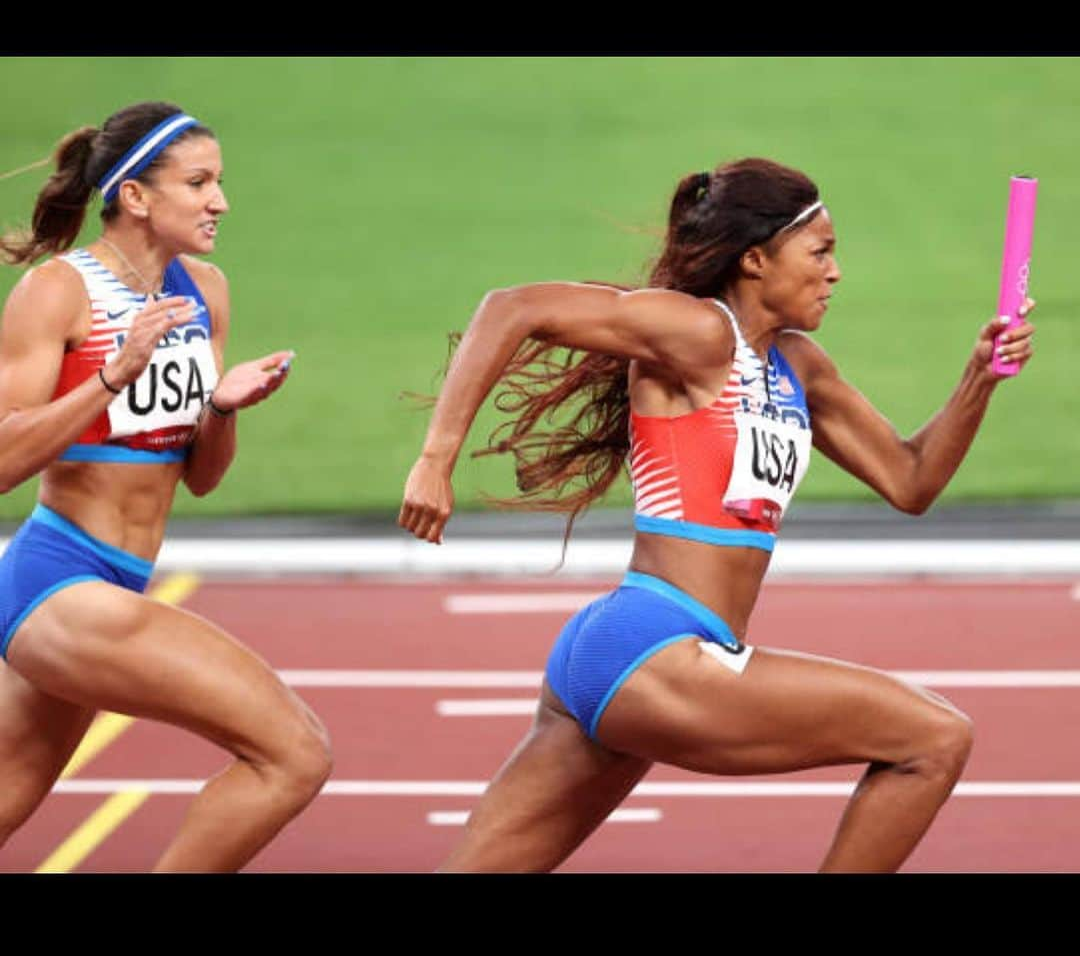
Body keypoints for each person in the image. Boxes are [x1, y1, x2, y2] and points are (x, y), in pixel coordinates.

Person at [398, 157, 1036, 873]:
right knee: (934, 739)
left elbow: (910, 481)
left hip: (631, 655)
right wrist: (436, 456)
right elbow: (512, 307)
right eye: (821, 252)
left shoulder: (800, 367)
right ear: (757, 259)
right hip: (655, 645)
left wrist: (977, 380)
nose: (836, 272)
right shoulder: (699, 332)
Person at [0, 101, 332, 872]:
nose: (220, 201)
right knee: (294, 753)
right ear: (137, 197)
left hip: (124, 581)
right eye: (199, 182)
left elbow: (204, 480)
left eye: (219, 181)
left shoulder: (204, 290)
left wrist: (221, 408)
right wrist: (114, 373)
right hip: (59, 582)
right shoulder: (59, 291)